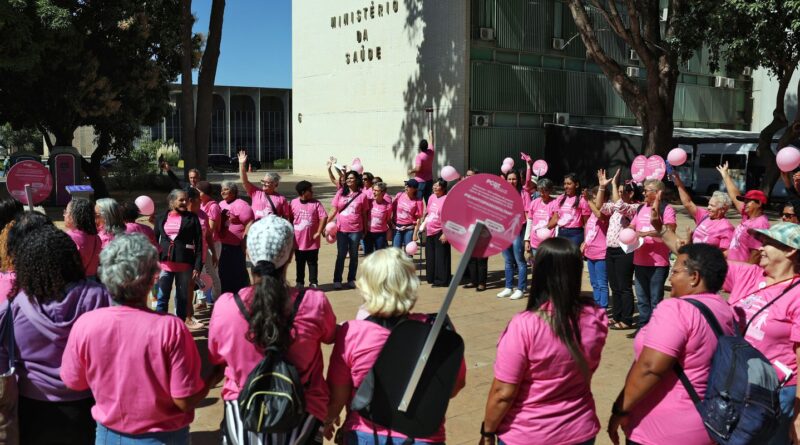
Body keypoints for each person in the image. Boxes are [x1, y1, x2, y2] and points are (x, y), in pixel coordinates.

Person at [60, 234, 213, 444]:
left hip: (108, 435)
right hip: (163, 437)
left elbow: (73, 381)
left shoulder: (86, 325)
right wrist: (215, 376)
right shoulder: (171, 328)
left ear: (104, 274)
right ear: (152, 278)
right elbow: (184, 401)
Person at [208, 215, 336, 444]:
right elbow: (330, 336)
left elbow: (216, 356)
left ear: (248, 253)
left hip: (243, 419)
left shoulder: (226, 306)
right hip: (304, 417)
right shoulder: (314, 302)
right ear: (291, 256)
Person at [324, 247, 466, 444]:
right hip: (422, 434)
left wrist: (329, 420)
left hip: (367, 433)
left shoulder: (351, 333)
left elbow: (339, 395)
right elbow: (454, 387)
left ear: (366, 286)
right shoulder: (437, 331)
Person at [480, 238, 608, 445]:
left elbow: (503, 393)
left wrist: (487, 432)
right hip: (580, 429)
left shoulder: (525, 325)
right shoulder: (596, 317)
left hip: (527, 433)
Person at [607, 243, 735, 445]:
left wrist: (620, 409)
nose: (670, 278)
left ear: (694, 277)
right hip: (707, 423)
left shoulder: (675, 309)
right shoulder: (725, 309)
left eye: (675, 271)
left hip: (661, 431)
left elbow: (650, 368)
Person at [0, 225, 112, 444]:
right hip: (91, 407)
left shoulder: (11, 310)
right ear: (72, 259)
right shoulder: (100, 298)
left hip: (30, 411)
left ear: (26, 265)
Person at [719, 223, 800, 444]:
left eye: (767, 243)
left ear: (790, 250)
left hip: (774, 393)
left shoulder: (798, 294)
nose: (760, 248)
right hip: (736, 380)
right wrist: (664, 233)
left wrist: (799, 414)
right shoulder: (749, 274)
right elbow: (706, 263)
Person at [597, 169, 640, 331]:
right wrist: (602, 187)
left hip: (625, 251)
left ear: (631, 193)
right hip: (611, 250)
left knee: (624, 286)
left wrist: (614, 184)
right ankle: (617, 316)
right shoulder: (615, 207)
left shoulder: (634, 207)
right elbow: (600, 205)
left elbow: (621, 206)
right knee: (614, 286)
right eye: (619, 191)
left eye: (624, 191)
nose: (620, 194)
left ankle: (627, 319)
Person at [631, 182, 676, 332]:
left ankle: (656, 329)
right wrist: (628, 232)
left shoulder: (667, 209)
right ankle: (644, 327)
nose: (643, 193)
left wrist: (646, 233)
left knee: (655, 299)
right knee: (642, 298)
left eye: (647, 191)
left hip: (658, 263)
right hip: (639, 260)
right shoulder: (641, 208)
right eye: (644, 191)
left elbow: (669, 231)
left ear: (658, 193)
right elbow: (632, 226)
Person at [154, 189, 204, 322]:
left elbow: (199, 243)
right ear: (172, 201)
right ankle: (160, 326)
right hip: (165, 265)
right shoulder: (160, 217)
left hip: (185, 265)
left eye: (186, 200)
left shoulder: (192, 218)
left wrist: (197, 266)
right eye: (181, 200)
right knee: (162, 297)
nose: (184, 202)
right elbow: (154, 242)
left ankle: (179, 327)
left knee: (182, 298)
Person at [717, 161, 770, 262]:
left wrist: (745, 273)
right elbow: (734, 196)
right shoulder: (748, 216)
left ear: (759, 204)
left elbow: (756, 254)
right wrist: (725, 175)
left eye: (748, 202)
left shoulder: (760, 224)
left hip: (743, 272)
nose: (745, 204)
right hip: (733, 267)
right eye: (744, 201)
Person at [328, 171, 370, 289]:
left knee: (354, 255)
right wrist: (326, 223)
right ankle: (337, 280)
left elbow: (364, 214)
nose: (349, 180)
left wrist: (365, 229)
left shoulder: (363, 196)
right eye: (348, 178)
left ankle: (351, 279)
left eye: (351, 178)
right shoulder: (340, 193)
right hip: (341, 229)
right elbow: (334, 209)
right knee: (341, 254)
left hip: (356, 229)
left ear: (357, 180)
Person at [672, 172, 734, 251]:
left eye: (712, 206)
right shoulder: (704, 215)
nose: (708, 208)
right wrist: (678, 184)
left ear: (722, 209)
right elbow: (688, 203)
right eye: (709, 204)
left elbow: (725, 253)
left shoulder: (727, 228)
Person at [497, 168, 533, 300]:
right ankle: (508, 287)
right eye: (509, 179)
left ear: (519, 180)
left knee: (519, 260)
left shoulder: (524, 194)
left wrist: (527, 236)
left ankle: (521, 288)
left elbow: (528, 215)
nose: (511, 181)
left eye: (514, 179)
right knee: (507, 260)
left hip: (518, 230)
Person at [218, 181, 255, 293]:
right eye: (222, 189)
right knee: (223, 272)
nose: (222, 192)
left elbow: (249, 223)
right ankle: (226, 294)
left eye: (226, 189)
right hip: (221, 245)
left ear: (233, 191)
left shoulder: (242, 205)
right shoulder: (221, 204)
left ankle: (242, 294)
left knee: (238, 272)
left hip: (236, 246)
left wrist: (245, 240)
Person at [291, 180, 328, 289]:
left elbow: (323, 217)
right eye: (310, 190)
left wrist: (318, 232)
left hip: (312, 241)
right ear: (303, 192)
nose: (312, 192)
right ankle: (300, 282)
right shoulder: (293, 202)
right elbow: (290, 219)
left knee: (312, 263)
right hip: (298, 241)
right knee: (299, 263)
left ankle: (313, 282)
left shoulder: (316, 203)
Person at [238, 150, 290, 220]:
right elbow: (244, 181)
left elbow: (285, 218)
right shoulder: (256, 192)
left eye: (268, 182)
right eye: (263, 181)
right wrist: (242, 165)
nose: (264, 184)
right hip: (256, 228)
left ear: (276, 185)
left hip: (271, 229)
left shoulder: (281, 199)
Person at [523, 177, 557, 278]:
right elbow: (530, 221)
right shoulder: (534, 203)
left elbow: (557, 223)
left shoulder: (554, 203)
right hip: (535, 243)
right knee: (536, 268)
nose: (542, 194)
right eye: (540, 190)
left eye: (545, 191)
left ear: (550, 190)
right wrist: (526, 240)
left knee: (550, 269)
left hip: (549, 243)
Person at [196, 180, 222, 308]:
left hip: (212, 244)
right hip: (202, 244)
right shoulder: (199, 204)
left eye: (198, 191)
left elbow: (210, 230)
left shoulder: (213, 207)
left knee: (212, 273)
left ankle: (217, 300)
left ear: (205, 193)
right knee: (200, 273)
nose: (196, 193)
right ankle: (203, 300)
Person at [464, 169, 489, 291]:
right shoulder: (464, 190)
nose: (468, 177)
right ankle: (473, 281)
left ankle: (482, 283)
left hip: (483, 229)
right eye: (467, 175)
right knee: (471, 257)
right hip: (468, 229)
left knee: (481, 258)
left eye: (470, 176)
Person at [584, 186, 609, 308]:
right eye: (593, 197)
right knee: (594, 283)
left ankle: (602, 309)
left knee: (602, 284)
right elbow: (590, 231)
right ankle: (596, 306)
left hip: (601, 254)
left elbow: (600, 215)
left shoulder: (607, 211)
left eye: (596, 197)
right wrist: (585, 243)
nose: (594, 199)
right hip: (591, 253)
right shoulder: (591, 215)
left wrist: (588, 200)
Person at [64, 198, 102, 279]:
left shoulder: (68, 238)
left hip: (74, 282)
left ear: (73, 216)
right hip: (92, 281)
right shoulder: (96, 238)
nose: (64, 215)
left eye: (66, 212)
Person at [424, 178, 451, 287]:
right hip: (430, 231)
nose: (434, 187)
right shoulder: (431, 197)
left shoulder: (447, 199)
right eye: (434, 185)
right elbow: (428, 212)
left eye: (437, 186)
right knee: (430, 256)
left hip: (441, 231)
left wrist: (446, 233)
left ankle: (442, 280)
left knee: (441, 258)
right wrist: (423, 223)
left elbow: (450, 218)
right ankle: (432, 277)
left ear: (443, 188)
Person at [551, 173, 590, 247]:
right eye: (564, 184)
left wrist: (585, 241)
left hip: (576, 234)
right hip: (561, 232)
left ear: (576, 185)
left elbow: (586, 223)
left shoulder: (582, 200)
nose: (566, 186)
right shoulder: (560, 198)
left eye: (569, 184)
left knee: (572, 258)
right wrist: (545, 228)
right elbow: (555, 218)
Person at [392, 178, 424, 249]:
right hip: (397, 227)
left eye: (409, 186)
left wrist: (415, 233)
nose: (406, 187)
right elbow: (392, 210)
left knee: (409, 252)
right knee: (396, 252)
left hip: (409, 229)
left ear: (415, 189)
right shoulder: (399, 195)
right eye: (406, 185)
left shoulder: (418, 201)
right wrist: (391, 224)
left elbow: (418, 218)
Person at [365, 181, 393, 254]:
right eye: (373, 190)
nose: (374, 192)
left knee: (380, 255)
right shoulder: (369, 202)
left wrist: (390, 230)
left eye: (376, 191)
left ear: (383, 192)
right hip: (368, 233)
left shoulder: (388, 206)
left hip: (381, 234)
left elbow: (388, 220)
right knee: (368, 255)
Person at [408, 131, 435, 202]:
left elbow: (418, 169)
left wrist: (411, 171)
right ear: (427, 146)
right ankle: (428, 212)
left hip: (420, 182)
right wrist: (430, 135)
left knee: (418, 199)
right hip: (429, 180)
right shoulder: (431, 152)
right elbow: (431, 142)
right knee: (428, 199)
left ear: (420, 147)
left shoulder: (419, 156)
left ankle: (419, 213)